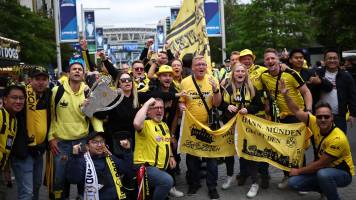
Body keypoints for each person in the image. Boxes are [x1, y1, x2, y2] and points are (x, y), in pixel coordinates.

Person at [280, 80, 354, 200]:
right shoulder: (314, 122)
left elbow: (321, 164)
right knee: (294, 183)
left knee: (323, 174)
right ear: (316, 116)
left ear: (332, 118)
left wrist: (299, 171)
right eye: (319, 116)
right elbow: (296, 111)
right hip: (323, 169)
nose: (323, 119)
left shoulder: (338, 138)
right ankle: (325, 188)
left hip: (343, 173)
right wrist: (285, 95)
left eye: (326, 117)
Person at [48, 58, 104, 199]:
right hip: (61, 143)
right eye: (74, 69)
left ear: (84, 74)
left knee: (83, 176)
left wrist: (100, 138)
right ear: (68, 73)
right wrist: (51, 137)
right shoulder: (56, 91)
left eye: (80, 69)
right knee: (60, 178)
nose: (77, 71)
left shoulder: (88, 93)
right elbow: (52, 116)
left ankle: (81, 196)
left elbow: (95, 117)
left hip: (82, 141)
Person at [261, 48, 313, 189]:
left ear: (278, 59)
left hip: (297, 116)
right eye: (267, 59)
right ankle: (286, 176)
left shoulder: (291, 74)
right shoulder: (264, 76)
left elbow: (306, 92)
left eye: (273, 58)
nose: (270, 61)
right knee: (283, 150)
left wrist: (308, 111)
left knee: (298, 150)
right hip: (280, 118)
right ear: (264, 62)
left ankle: (302, 180)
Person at [219, 64, 264, 198]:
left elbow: (258, 105)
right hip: (230, 125)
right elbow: (219, 104)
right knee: (228, 153)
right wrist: (227, 106)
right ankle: (229, 177)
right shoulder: (227, 88)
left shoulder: (252, 88)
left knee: (249, 153)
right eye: (237, 71)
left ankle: (255, 183)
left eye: (242, 71)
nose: (240, 73)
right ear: (233, 74)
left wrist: (248, 109)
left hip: (247, 127)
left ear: (245, 74)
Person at [179, 55, 222, 199]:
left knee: (211, 158)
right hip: (192, 128)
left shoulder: (213, 80)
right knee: (192, 158)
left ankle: (212, 187)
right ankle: (194, 183)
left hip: (210, 126)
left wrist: (216, 90)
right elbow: (182, 101)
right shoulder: (185, 82)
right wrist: (181, 107)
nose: (201, 67)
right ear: (192, 67)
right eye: (198, 65)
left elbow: (217, 104)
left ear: (207, 67)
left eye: (203, 64)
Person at [10, 67, 51, 200]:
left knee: (36, 186)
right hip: (23, 151)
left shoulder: (48, 94)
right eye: (37, 79)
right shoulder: (21, 96)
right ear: (30, 80)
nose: (40, 82)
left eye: (44, 79)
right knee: (27, 192)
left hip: (39, 150)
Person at [236, 49, 270, 188]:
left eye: (249, 58)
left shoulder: (262, 70)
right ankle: (244, 173)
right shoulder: (237, 71)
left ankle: (264, 175)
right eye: (243, 58)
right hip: (243, 118)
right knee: (244, 146)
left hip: (260, 114)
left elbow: (269, 87)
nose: (246, 60)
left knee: (262, 147)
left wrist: (268, 104)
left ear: (253, 58)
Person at [66, 131, 133, 200]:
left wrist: (127, 151)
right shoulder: (81, 160)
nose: (99, 145)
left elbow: (126, 169)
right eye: (95, 142)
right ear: (87, 146)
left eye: (102, 141)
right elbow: (73, 180)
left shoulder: (109, 157)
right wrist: (75, 157)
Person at [133, 98, 175, 200]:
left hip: (160, 168)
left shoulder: (164, 125)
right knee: (167, 181)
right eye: (156, 108)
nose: (159, 110)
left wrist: (171, 156)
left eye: (161, 108)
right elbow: (136, 123)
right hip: (145, 168)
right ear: (148, 111)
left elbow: (165, 143)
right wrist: (147, 103)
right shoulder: (145, 124)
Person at [94, 72, 139, 157]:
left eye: (129, 80)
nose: (127, 82)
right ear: (119, 84)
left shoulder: (137, 97)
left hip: (134, 140)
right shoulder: (113, 97)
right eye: (123, 80)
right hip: (116, 141)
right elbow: (99, 114)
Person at [313, 49, 356, 133]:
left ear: (339, 60)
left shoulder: (346, 76)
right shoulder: (317, 73)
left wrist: (353, 114)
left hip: (339, 116)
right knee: (320, 142)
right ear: (325, 60)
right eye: (329, 58)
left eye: (334, 58)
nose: (332, 60)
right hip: (319, 116)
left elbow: (352, 96)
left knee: (339, 141)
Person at [0, 84, 26, 200]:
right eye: (14, 98)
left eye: (21, 98)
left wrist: (6, 170)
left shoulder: (14, 120)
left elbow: (7, 146)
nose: (18, 101)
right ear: (5, 100)